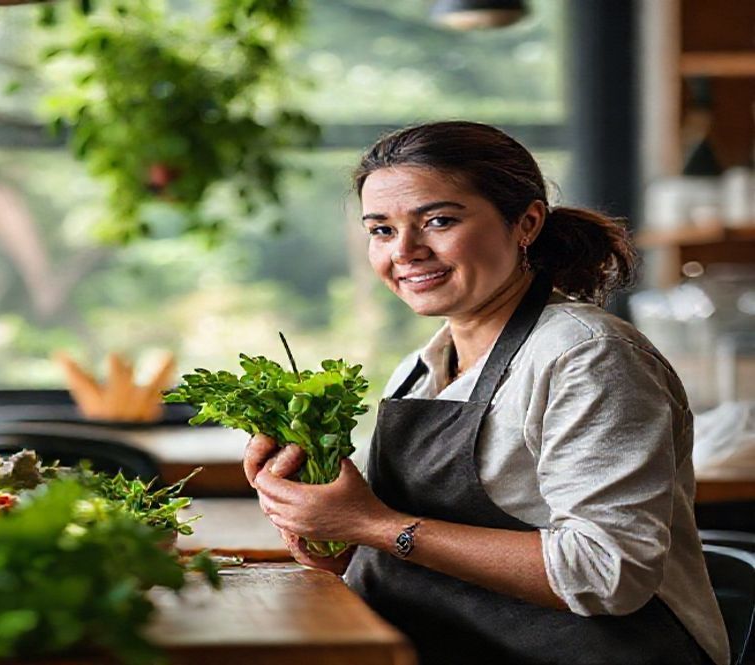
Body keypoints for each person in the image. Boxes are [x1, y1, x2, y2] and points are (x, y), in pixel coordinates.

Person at [243, 121, 729, 665]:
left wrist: (369, 524)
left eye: (439, 221)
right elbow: (399, 548)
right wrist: (319, 527)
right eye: (381, 230)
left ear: (526, 223)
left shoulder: (586, 355)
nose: (406, 250)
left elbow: (607, 572)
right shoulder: (420, 367)